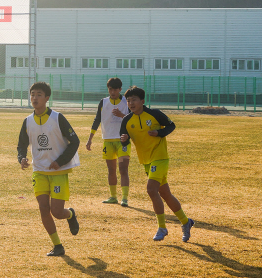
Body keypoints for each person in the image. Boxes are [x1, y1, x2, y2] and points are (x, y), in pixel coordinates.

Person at [119, 86, 194, 242]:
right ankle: (186, 222)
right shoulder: (126, 120)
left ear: (142, 101)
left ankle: (162, 228)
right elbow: (123, 143)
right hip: (145, 161)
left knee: (151, 190)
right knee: (165, 194)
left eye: (134, 100)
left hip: (160, 157)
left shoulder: (154, 114)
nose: (131, 103)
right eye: (128, 101)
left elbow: (171, 125)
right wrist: (124, 141)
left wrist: (159, 133)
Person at [17, 82, 80, 257]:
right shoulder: (28, 121)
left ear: (46, 98)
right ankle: (57, 245)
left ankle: (70, 215)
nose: (34, 98)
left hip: (58, 172)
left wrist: (60, 161)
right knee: (43, 208)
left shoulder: (58, 118)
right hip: (39, 171)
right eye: (32, 94)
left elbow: (75, 141)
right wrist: (22, 158)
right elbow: (21, 144)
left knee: (57, 212)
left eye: (38, 94)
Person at [86, 77, 131, 206]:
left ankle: (125, 198)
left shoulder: (125, 102)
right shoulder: (103, 102)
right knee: (111, 170)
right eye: (110, 89)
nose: (112, 92)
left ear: (120, 89)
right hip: (108, 141)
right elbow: (97, 120)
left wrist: (122, 115)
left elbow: (132, 118)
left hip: (122, 141)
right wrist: (90, 138)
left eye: (115, 89)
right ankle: (113, 196)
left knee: (123, 169)